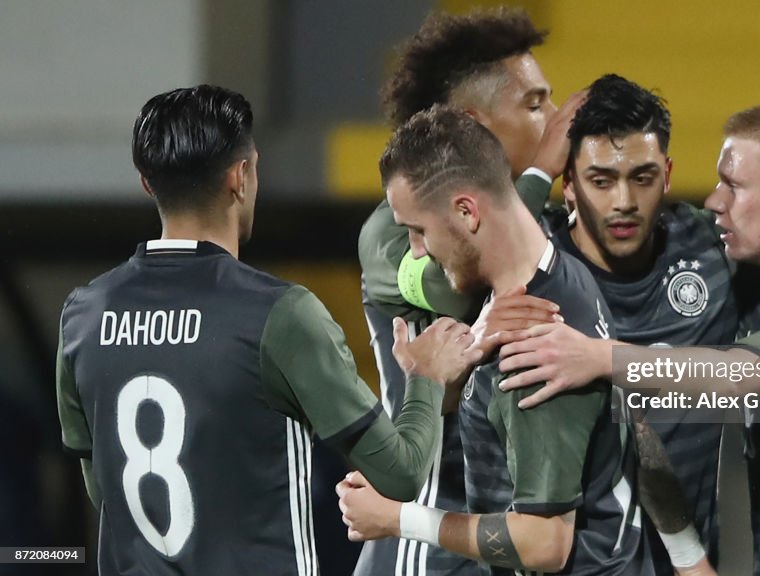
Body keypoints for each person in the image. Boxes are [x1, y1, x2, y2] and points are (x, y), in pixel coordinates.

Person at [472, 73, 760, 572]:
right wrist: (532, 175)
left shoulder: (716, 254)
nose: (622, 202)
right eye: (600, 180)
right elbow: (445, 268)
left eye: (641, 177)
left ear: (666, 174)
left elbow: (745, 373)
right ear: (567, 183)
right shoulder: (526, 265)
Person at [54, 85, 475, 575]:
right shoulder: (280, 315)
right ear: (242, 175)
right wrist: (426, 379)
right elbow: (400, 474)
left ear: (147, 183)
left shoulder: (82, 314)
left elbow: (102, 488)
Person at [340, 105, 659, 575]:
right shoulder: (552, 274)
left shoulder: (533, 343)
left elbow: (544, 544)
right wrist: (437, 377)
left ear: (467, 212)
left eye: (419, 230)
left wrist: (398, 518)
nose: (417, 250)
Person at [356, 8, 580, 574]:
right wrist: (535, 177)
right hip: (420, 537)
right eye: (534, 105)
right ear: (472, 124)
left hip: (503, 537)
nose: (556, 123)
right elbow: (459, 285)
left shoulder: (549, 226)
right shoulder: (392, 228)